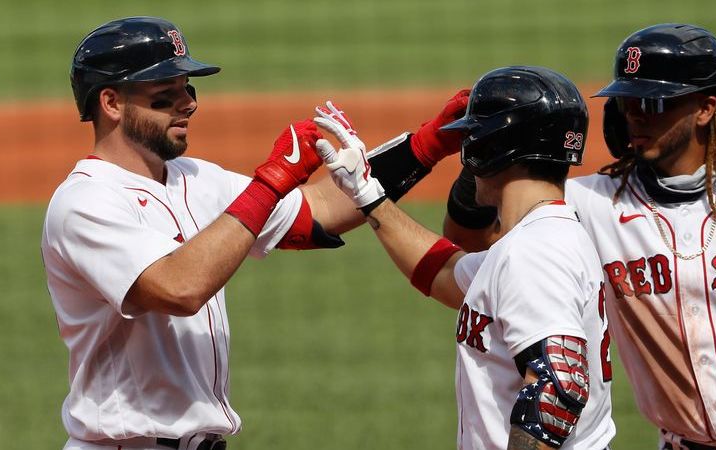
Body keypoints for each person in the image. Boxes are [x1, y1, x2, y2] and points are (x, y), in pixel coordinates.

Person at [42, 16, 469, 450]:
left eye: (188, 90)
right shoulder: (85, 202)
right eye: (165, 95)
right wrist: (271, 182)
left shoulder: (196, 178)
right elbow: (179, 288)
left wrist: (431, 143)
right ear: (111, 102)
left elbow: (322, 210)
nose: (187, 104)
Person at [443, 24, 716, 449]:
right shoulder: (591, 204)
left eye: (653, 101)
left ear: (706, 108)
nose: (635, 115)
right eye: (626, 101)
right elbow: (471, 238)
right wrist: (490, 144)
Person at [313, 66, 615, 450]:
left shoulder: (534, 252)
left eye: (475, 138)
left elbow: (558, 387)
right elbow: (443, 272)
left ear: (495, 150)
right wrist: (366, 193)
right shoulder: (541, 238)